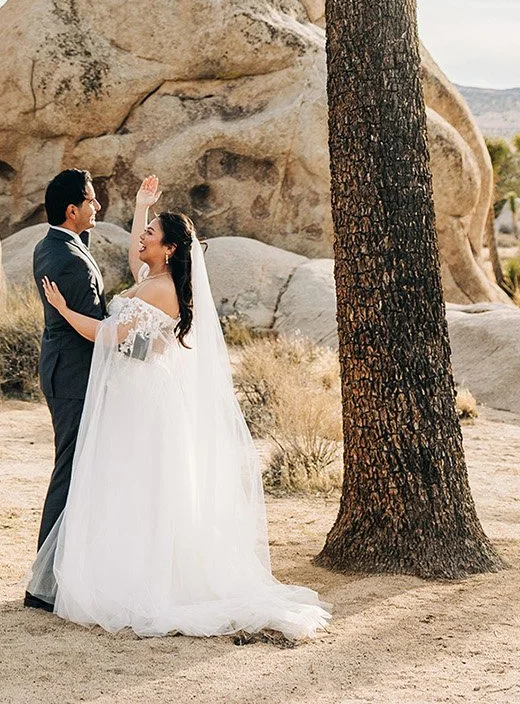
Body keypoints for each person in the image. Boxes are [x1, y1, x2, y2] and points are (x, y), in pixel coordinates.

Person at [26, 174, 330, 640]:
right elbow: (137, 267)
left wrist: (66, 312)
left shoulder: (159, 289)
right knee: (124, 480)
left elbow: (112, 333)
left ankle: (135, 578)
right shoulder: (155, 279)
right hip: (134, 388)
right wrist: (142, 207)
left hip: (138, 394)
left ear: (168, 249)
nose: (142, 237)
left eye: (151, 234)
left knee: (136, 483)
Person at [24, 168, 106, 611]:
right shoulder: (68, 260)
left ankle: (65, 572)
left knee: (77, 470)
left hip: (64, 371)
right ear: (72, 209)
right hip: (73, 376)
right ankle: (45, 585)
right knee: (70, 473)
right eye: (91, 200)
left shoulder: (54, 244)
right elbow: (94, 325)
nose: (98, 206)